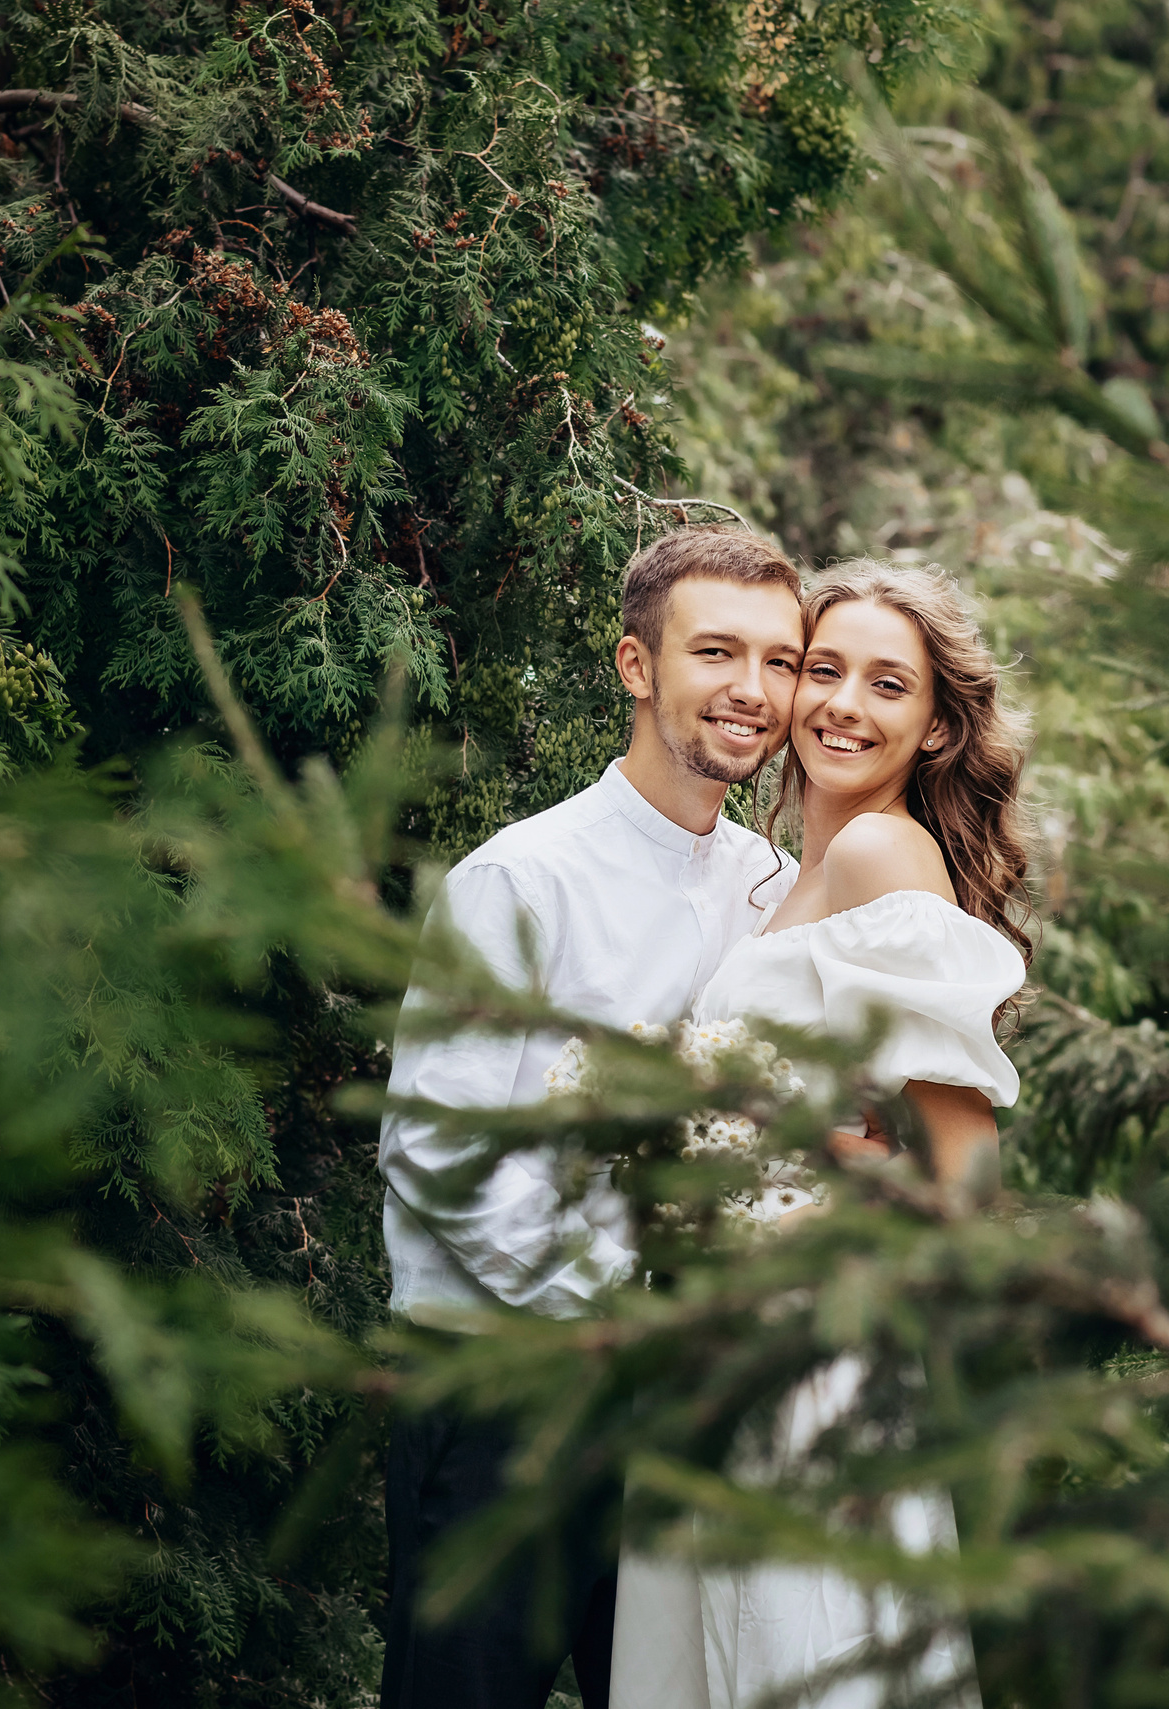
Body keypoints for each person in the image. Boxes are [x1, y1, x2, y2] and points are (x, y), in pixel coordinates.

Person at [377, 525, 809, 1709]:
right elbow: (437, 1146)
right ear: (635, 665)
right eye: (717, 652)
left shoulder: (773, 891)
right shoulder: (522, 879)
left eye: (780, 661)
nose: (753, 690)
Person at [609, 561, 1036, 1709]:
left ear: (936, 723)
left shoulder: (881, 856)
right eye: (821, 669)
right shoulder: (787, 877)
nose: (842, 703)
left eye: (886, 683)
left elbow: (969, 1176)